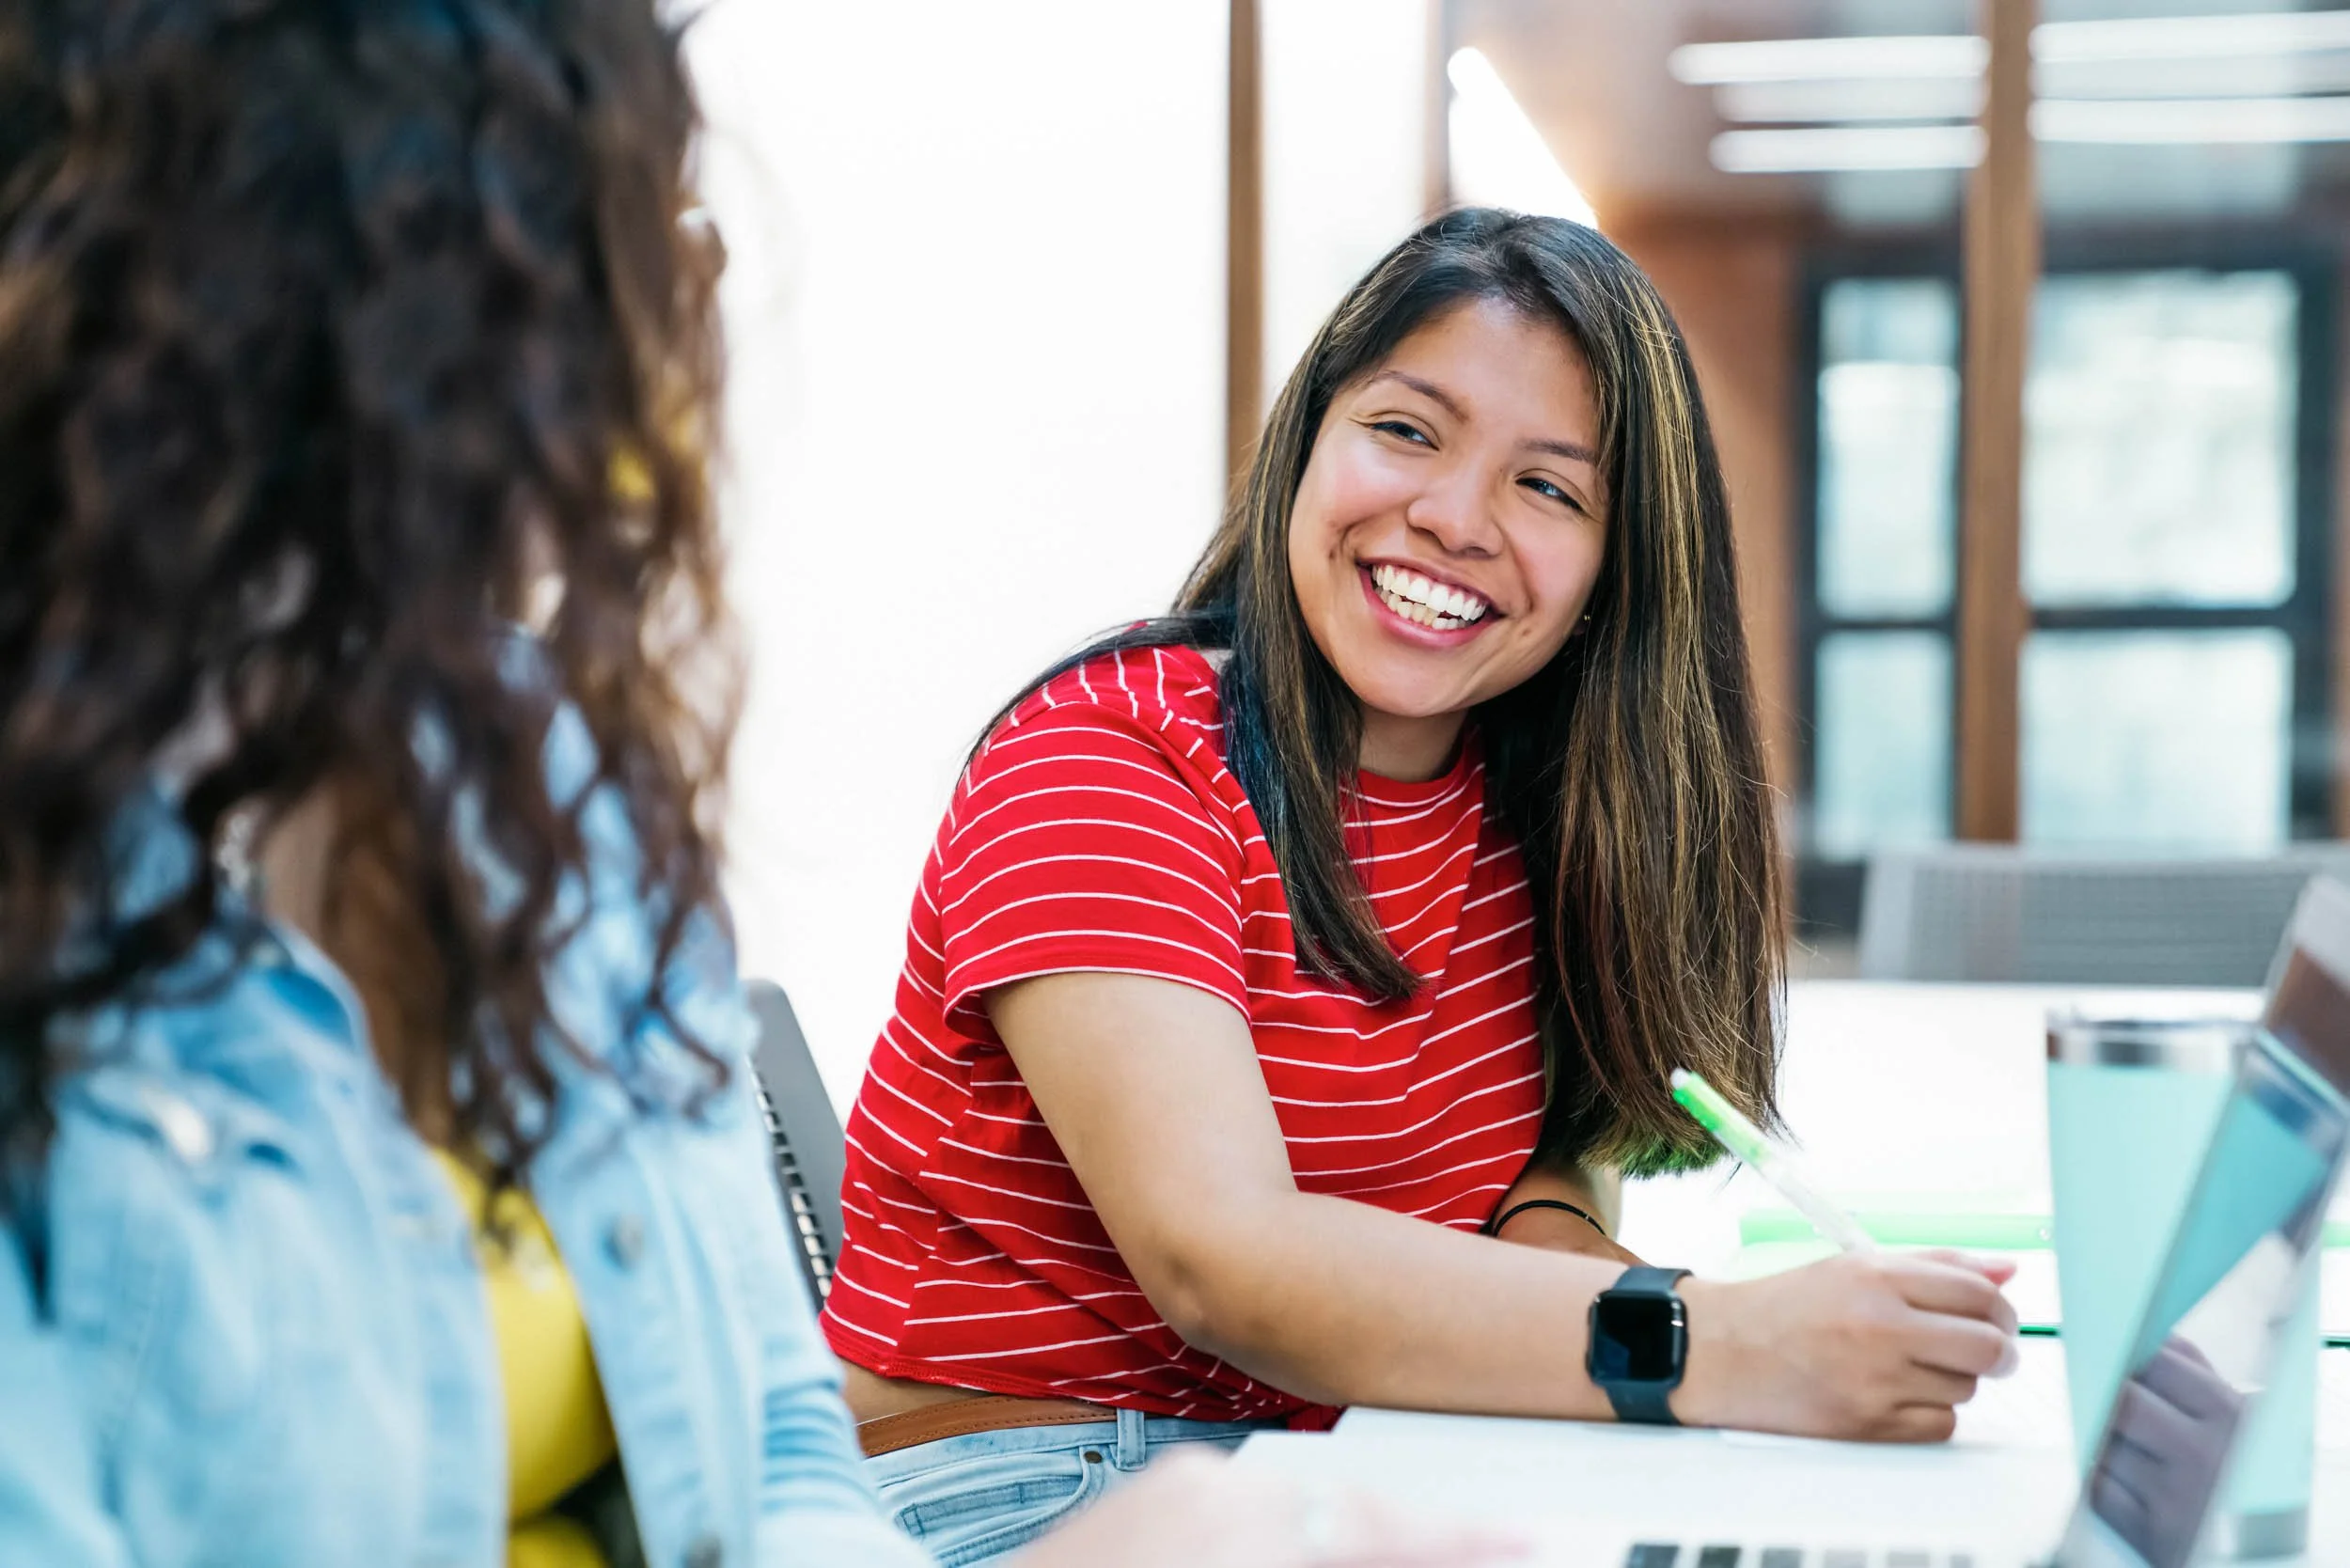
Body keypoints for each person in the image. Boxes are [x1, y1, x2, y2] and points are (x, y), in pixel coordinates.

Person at [0, 6, 1502, 1567]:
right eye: (633, 228)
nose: (700, 290)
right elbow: (1225, 1261)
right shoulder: (1114, 747)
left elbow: (779, 1450)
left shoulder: (541, 783)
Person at [822, 207, 2025, 1558]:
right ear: (1309, 439)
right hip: (1011, 1487)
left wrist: (1652, 1299)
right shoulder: (1105, 759)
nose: (1453, 519)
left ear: (1614, 576)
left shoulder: (1529, 799)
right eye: (1406, 430)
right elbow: (1223, 1259)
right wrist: (1722, 1341)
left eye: (1548, 488)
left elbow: (1536, 1175)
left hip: (1337, 1456)